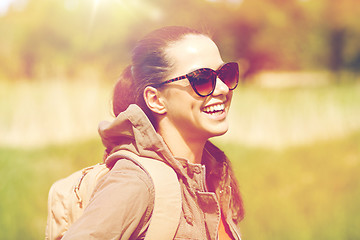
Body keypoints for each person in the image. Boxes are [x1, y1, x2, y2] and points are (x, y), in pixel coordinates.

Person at [62, 26, 244, 239]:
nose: (222, 89)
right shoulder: (136, 183)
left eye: (225, 74)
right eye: (202, 79)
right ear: (156, 100)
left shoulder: (213, 176)